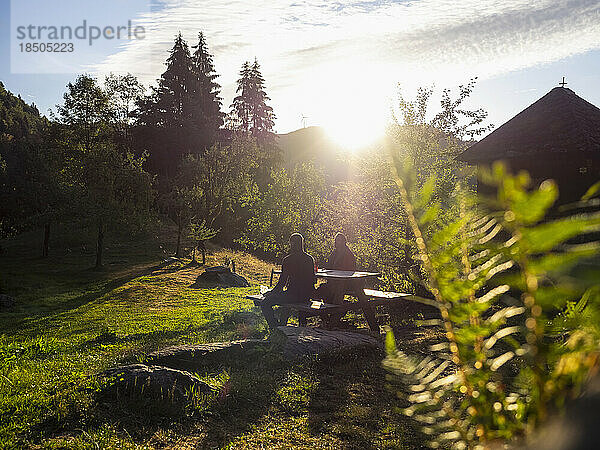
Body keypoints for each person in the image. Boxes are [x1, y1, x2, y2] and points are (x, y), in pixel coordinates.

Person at [261, 233, 316, 329]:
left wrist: (271, 293)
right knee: (283, 299)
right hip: (306, 296)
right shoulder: (309, 259)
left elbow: (281, 283)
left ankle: (275, 327)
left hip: (293, 295)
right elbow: (312, 280)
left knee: (265, 303)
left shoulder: (288, 260)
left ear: (292, 244)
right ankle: (293, 324)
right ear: (302, 244)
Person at [315, 232, 357, 305]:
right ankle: (327, 311)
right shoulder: (335, 252)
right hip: (334, 281)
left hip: (346, 282)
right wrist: (326, 269)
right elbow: (330, 264)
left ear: (344, 241)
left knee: (332, 290)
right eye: (337, 240)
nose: (338, 242)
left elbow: (349, 269)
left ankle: (337, 309)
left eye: (340, 240)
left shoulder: (347, 253)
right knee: (322, 289)